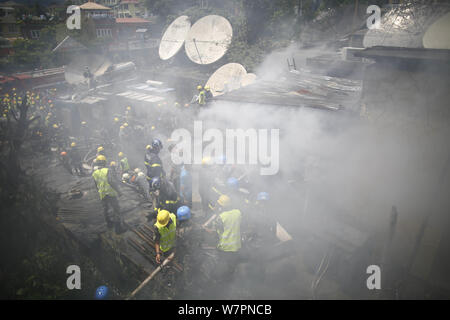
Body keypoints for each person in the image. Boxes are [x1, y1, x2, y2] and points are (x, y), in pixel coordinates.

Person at [92, 155, 126, 234]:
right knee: (116, 209)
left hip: (102, 194)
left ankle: (109, 223)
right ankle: (118, 229)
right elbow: (112, 182)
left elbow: (96, 185)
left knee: (105, 209)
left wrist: (100, 191)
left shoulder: (95, 173)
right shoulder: (107, 170)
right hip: (110, 193)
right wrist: (119, 191)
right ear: (104, 162)